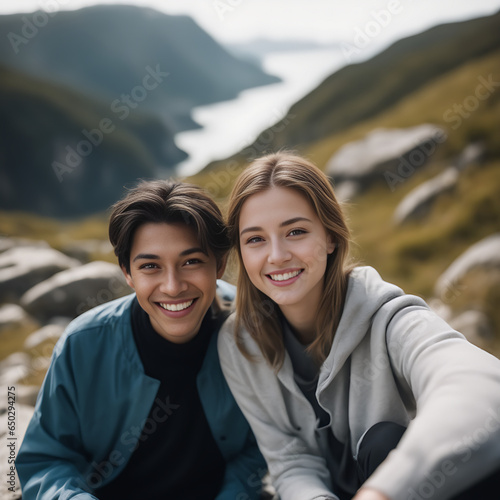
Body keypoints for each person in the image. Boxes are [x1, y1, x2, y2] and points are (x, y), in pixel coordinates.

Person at [217, 152, 500, 500]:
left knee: (384, 442)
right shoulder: (237, 344)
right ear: (241, 253)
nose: (276, 255)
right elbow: (291, 461)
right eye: (255, 239)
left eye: (296, 231)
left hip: (403, 489)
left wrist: (384, 491)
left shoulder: (388, 317)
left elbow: (481, 387)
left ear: (331, 237)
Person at [16, 180, 266, 500]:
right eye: (151, 266)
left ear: (219, 265)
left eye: (191, 262)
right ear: (127, 274)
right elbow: (46, 460)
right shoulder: (83, 345)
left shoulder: (252, 330)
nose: (173, 287)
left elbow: (262, 446)